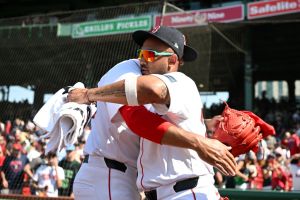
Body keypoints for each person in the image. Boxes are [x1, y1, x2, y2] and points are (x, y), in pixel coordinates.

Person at [69, 26, 236, 200]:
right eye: (141, 54)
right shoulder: (134, 73)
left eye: (150, 55)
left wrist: (89, 94)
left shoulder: (180, 81)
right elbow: (143, 117)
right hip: (129, 181)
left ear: (172, 60)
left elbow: (151, 92)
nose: (141, 60)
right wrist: (201, 136)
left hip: (184, 191)